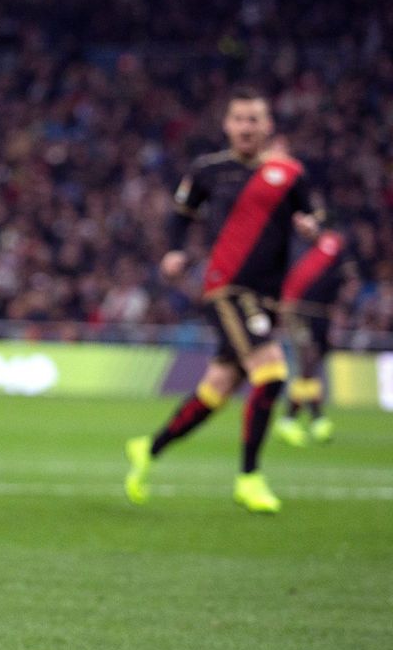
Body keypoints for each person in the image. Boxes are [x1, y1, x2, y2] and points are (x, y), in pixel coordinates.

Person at [125, 89, 321, 513]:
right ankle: (249, 478)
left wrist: (311, 226)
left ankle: (149, 447)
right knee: (270, 373)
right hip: (227, 288)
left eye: (254, 119)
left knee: (217, 388)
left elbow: (314, 216)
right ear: (227, 125)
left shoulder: (289, 173)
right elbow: (181, 215)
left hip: (267, 296)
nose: (246, 127)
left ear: (268, 126)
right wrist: (175, 251)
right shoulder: (208, 170)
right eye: (239, 119)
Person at [274, 228, 351, 447]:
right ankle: (308, 418)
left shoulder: (327, 254)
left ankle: (303, 418)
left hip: (320, 314)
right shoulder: (305, 249)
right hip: (300, 312)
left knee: (310, 367)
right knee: (308, 361)